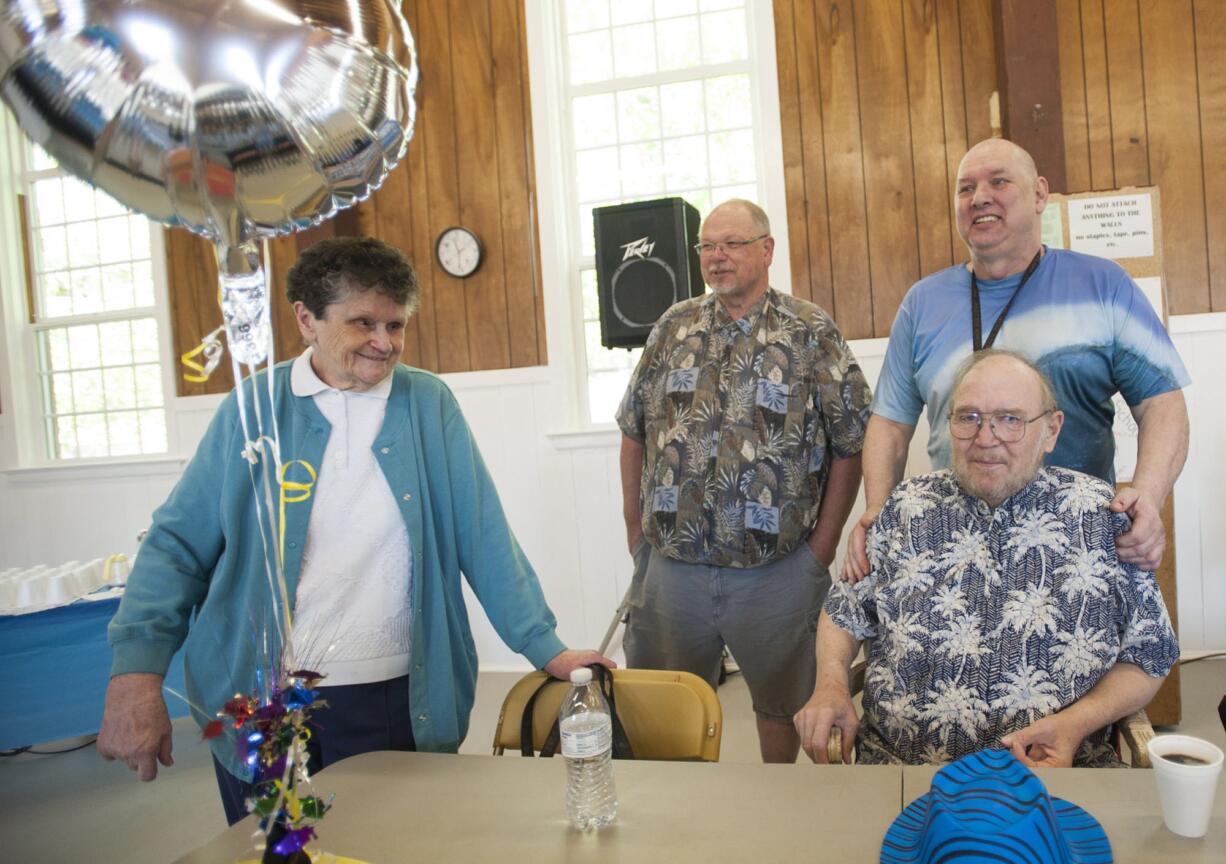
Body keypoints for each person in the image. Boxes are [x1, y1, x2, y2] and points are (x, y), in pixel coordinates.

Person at [98, 237, 612, 824]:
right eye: (363, 322)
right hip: (262, 701)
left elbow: (483, 533)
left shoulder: (426, 403)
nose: (384, 342)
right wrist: (136, 676)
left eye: (396, 325)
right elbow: (176, 548)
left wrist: (543, 644)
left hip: (391, 695)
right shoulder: (253, 410)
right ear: (306, 319)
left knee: (393, 845)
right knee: (278, 847)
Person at [795, 350, 1178, 767]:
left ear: (1051, 430)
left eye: (1010, 419)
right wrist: (830, 683)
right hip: (902, 773)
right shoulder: (904, 509)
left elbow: (1150, 655)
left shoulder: (1103, 518)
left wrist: (1077, 724)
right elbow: (843, 613)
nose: (986, 437)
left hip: (1053, 777)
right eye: (969, 417)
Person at [844, 138, 1190, 583]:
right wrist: (878, 509)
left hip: (1080, 546)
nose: (980, 197)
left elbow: (1162, 403)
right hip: (955, 549)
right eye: (965, 188)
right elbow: (890, 424)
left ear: (1040, 194)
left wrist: (1147, 493)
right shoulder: (922, 303)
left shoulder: (1103, 285)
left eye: (999, 182)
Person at [616, 199, 871, 762]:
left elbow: (852, 442)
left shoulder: (810, 331)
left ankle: (773, 817)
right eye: (707, 246)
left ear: (766, 249)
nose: (717, 257)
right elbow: (633, 429)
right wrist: (636, 533)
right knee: (663, 714)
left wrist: (819, 551)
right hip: (672, 569)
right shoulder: (672, 327)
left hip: (777, 572)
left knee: (784, 710)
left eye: (731, 244)